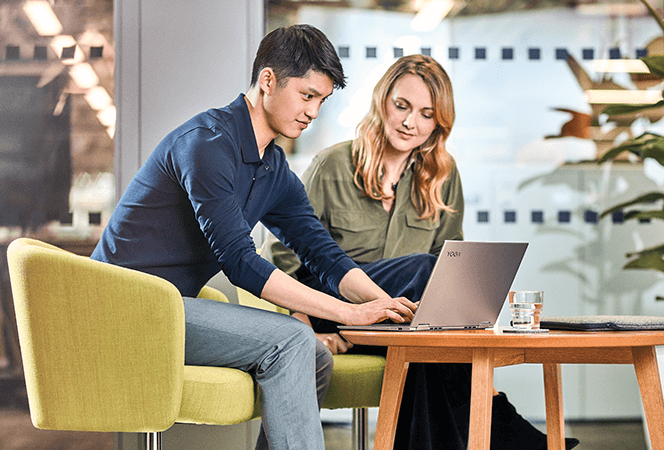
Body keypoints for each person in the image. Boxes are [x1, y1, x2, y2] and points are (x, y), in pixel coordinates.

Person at [90, 24, 416, 450]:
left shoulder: (272, 167)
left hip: (169, 308)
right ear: (267, 81)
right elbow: (241, 263)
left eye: (321, 100)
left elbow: (323, 254)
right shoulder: (207, 144)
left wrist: (380, 304)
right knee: (294, 338)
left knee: (314, 357)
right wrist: (346, 313)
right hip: (120, 308)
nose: (314, 111)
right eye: (307, 95)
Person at [268, 54, 579, 450]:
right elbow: (283, 257)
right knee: (427, 272)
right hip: (333, 309)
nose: (410, 122)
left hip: (404, 321)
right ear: (383, 101)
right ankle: (502, 423)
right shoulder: (331, 165)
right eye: (402, 106)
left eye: (426, 113)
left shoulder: (443, 178)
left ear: (438, 123)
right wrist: (305, 328)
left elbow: (457, 271)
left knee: (430, 332)